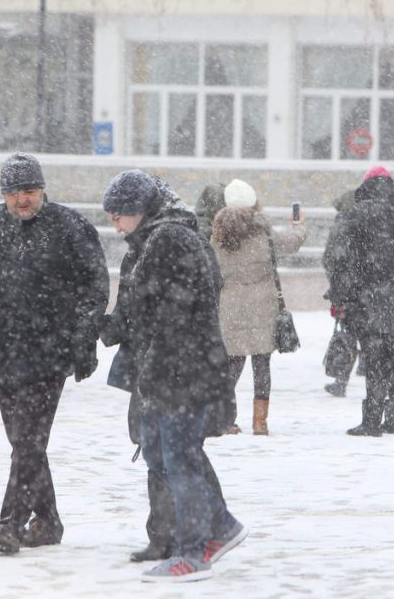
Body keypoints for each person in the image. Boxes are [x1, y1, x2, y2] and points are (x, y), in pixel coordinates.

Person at [0, 152, 109, 554]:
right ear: (3, 194)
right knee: (24, 442)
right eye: (14, 191)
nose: (22, 199)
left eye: (30, 190)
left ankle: (10, 524)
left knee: (28, 440)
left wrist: (84, 338)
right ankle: (49, 521)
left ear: (42, 189)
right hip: (3, 350)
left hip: (49, 351)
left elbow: (94, 287)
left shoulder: (69, 226)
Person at [99, 169, 246, 583]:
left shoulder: (170, 239)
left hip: (180, 371)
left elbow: (176, 314)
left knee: (179, 460)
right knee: (159, 454)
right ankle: (222, 525)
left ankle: (192, 552)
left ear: (140, 210)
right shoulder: (155, 239)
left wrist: (160, 361)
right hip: (165, 369)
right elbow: (143, 308)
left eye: (119, 215)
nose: (115, 223)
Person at [325, 165, 394, 436]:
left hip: (367, 299)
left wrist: (340, 295)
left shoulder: (356, 214)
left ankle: (371, 420)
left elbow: (339, 259)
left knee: (374, 357)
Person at [211, 178, 307, 435]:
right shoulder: (262, 231)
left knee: (232, 364)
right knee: (261, 363)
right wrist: (299, 228)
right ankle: (259, 422)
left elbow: (212, 269)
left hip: (230, 306)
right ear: (254, 203)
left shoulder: (218, 235)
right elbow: (291, 244)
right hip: (262, 305)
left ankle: (226, 419)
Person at [322, 188, 360, 398]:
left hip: (347, 289)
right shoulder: (368, 222)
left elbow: (331, 258)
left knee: (348, 334)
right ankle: (372, 376)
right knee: (367, 334)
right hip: (368, 289)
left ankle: (342, 379)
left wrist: (337, 289)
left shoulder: (342, 224)